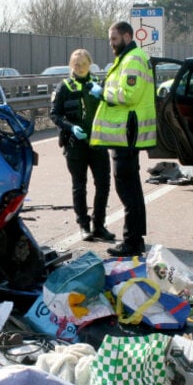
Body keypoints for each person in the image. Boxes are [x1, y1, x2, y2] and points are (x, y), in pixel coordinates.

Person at [88, 21, 157, 256]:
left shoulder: (133, 58)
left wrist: (103, 93)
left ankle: (132, 241)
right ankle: (135, 239)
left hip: (126, 134)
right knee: (131, 188)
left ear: (127, 37)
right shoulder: (127, 58)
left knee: (127, 188)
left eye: (114, 39)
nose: (111, 44)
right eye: (110, 40)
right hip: (125, 134)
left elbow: (129, 94)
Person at [49, 48, 113, 242]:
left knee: (103, 184)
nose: (80, 68)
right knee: (79, 185)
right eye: (76, 65)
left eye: (84, 64)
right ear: (71, 66)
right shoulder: (64, 87)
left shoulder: (97, 85)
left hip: (98, 143)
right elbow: (54, 114)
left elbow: (112, 110)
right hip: (75, 144)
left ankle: (99, 225)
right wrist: (71, 127)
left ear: (90, 64)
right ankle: (84, 225)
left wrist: (103, 96)